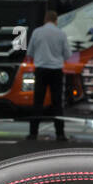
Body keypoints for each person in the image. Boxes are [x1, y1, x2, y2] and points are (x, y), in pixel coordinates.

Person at [25, 10, 71, 141]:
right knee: (57, 103)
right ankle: (60, 134)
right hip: (56, 71)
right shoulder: (61, 34)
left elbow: (30, 52)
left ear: (45, 19)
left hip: (41, 70)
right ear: (56, 20)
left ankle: (33, 133)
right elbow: (67, 54)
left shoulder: (37, 32)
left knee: (38, 102)